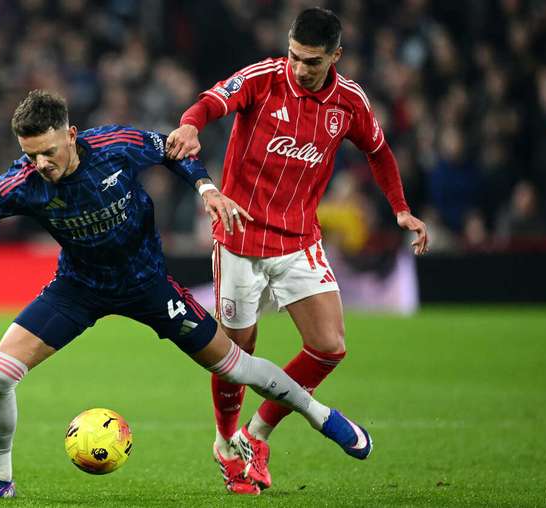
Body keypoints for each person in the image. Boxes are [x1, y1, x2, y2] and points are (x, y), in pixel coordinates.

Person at [0, 90, 373, 499]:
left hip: (147, 286)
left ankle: (319, 415)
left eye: (49, 152)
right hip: (78, 289)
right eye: (31, 154)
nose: (41, 164)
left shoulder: (116, 145)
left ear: (71, 135)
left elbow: (172, 148)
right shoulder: (23, 183)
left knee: (235, 366)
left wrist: (206, 189)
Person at [166, 7, 429, 494]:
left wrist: (399, 209)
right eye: (294, 55)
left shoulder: (348, 101)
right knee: (236, 353)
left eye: (311, 60)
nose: (299, 67)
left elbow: (378, 150)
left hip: (298, 240)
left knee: (329, 346)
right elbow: (209, 102)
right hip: (240, 238)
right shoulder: (265, 78)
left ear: (336, 56)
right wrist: (189, 126)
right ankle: (226, 444)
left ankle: (256, 433)